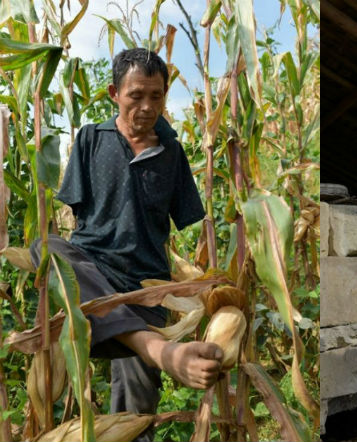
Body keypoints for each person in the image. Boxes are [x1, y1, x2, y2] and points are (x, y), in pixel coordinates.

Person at [30, 48, 223, 441]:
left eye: (157, 96)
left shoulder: (172, 152)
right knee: (46, 247)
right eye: (136, 96)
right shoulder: (90, 138)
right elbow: (76, 217)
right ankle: (157, 349)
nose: (147, 107)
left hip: (144, 287)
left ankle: (147, 344)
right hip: (93, 275)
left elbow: (186, 218)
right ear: (114, 93)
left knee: (135, 418)